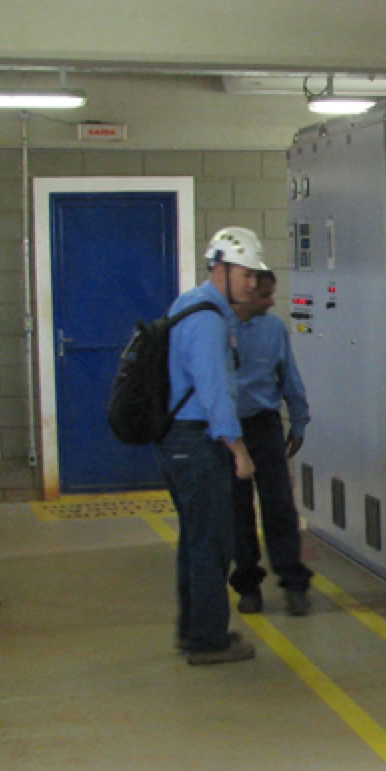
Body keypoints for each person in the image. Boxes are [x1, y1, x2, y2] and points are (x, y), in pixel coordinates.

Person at [156, 226, 266, 666]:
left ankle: (195, 630)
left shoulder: (191, 305)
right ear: (221, 268)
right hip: (198, 443)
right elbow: (214, 392)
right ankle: (207, 640)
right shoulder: (207, 321)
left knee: (196, 541)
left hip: (181, 441)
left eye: (255, 275)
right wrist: (239, 450)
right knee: (212, 544)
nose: (253, 284)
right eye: (246, 274)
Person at [226, 268, 316, 617]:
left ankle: (294, 583)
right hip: (228, 429)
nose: (271, 302)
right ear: (246, 293)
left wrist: (299, 420)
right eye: (264, 295)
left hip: (264, 426)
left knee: (279, 507)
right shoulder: (217, 328)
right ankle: (248, 585)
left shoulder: (274, 329)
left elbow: (289, 374)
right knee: (237, 511)